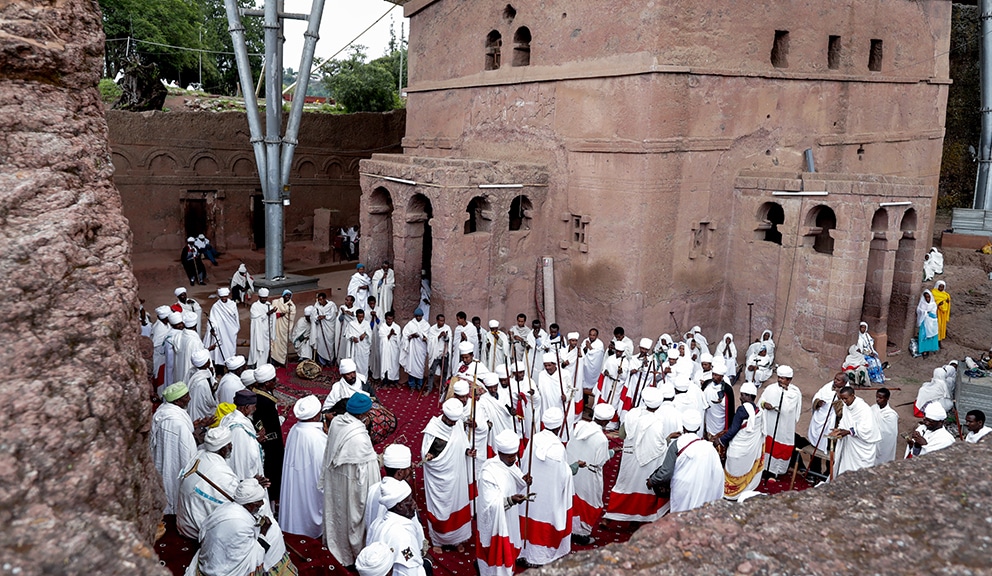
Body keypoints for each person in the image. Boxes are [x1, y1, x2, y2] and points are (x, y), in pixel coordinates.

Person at [322, 393, 381, 568]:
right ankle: (352, 554)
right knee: (352, 517)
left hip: (336, 480)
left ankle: (336, 548)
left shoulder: (337, 423)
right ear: (364, 414)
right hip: (354, 484)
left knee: (337, 513)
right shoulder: (360, 438)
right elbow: (368, 472)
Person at [604, 387, 675, 524]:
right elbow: (659, 447)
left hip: (629, 457)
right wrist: (668, 439)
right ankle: (641, 517)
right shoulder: (658, 422)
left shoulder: (631, 414)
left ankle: (610, 517)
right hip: (648, 463)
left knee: (624, 484)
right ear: (659, 405)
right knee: (642, 487)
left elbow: (622, 435)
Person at [519, 407, 573, 567]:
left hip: (530, 493)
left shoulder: (534, 439)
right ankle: (538, 558)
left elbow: (524, 463)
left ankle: (523, 552)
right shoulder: (558, 448)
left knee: (527, 519)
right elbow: (564, 475)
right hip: (549, 496)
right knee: (545, 522)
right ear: (559, 426)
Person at [184, 479, 267, 576]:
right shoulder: (243, 524)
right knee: (270, 537)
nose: (262, 504)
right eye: (259, 502)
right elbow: (255, 553)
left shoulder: (224, 508)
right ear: (250, 504)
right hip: (223, 570)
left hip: (210, 560)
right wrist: (264, 531)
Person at [648, 409, 724, 513]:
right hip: (703, 490)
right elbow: (718, 473)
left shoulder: (677, 444)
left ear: (683, 427)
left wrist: (652, 481)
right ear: (698, 427)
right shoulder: (709, 447)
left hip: (682, 489)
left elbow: (666, 473)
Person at [421, 398, 473, 549]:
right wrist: (431, 457)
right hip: (440, 479)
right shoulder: (433, 429)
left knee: (457, 504)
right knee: (441, 508)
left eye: (455, 421)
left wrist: (468, 451)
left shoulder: (457, 425)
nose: (453, 424)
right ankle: (438, 541)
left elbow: (462, 445)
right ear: (444, 416)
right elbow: (426, 455)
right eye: (451, 421)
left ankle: (457, 540)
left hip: (457, 476)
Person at [477, 430, 529, 576]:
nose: (513, 459)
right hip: (495, 523)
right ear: (500, 453)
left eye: (515, 455)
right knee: (494, 558)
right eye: (510, 456)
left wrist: (523, 481)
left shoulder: (510, 465)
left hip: (509, 517)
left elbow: (515, 480)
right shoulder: (489, 472)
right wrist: (510, 501)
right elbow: (490, 505)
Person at [151, 382, 207, 516]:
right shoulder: (177, 422)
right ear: (177, 400)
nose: (190, 398)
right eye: (186, 396)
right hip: (177, 463)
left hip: (166, 459)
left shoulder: (164, 411)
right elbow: (187, 449)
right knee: (174, 487)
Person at [177, 427, 240, 539]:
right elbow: (238, 499)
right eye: (229, 444)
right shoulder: (220, 472)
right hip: (195, 530)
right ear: (222, 449)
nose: (231, 447)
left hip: (184, 523)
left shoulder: (200, 454)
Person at [279, 395, 326, 538]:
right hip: (311, 486)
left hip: (298, 481)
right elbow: (322, 470)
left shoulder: (295, 428)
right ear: (315, 416)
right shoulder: (316, 437)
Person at [567, 404, 613, 544]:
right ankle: (581, 534)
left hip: (573, 471)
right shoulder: (601, 439)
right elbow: (601, 461)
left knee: (573, 500)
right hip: (589, 476)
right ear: (606, 422)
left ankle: (570, 528)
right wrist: (610, 452)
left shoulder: (578, 427)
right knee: (591, 504)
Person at [366, 480, 429, 576]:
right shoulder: (403, 537)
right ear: (400, 506)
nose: (415, 504)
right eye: (411, 500)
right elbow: (410, 568)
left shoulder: (377, 523)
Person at [717, 381, 765, 499]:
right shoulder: (758, 410)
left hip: (738, 448)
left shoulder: (742, 410)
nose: (740, 397)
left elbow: (733, 430)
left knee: (733, 468)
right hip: (749, 450)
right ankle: (743, 489)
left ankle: (730, 494)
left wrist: (720, 440)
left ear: (749, 396)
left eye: (743, 395)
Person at [758, 366, 802, 480]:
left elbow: (788, 409)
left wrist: (785, 394)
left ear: (789, 380)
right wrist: (765, 405)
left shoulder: (794, 393)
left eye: (783, 378)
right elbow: (760, 402)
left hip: (784, 427)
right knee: (767, 446)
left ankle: (776, 472)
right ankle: (764, 469)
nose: (780, 380)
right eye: (779, 378)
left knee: (780, 449)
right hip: (770, 424)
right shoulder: (770, 389)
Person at [249, 364, 285, 501]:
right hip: (270, 444)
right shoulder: (264, 401)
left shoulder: (261, 394)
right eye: (274, 380)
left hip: (270, 438)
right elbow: (258, 420)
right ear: (267, 383)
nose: (276, 382)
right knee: (272, 470)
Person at [221, 390, 269, 490]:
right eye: (254, 406)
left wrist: (256, 439)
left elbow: (246, 445)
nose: (255, 409)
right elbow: (241, 461)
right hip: (245, 480)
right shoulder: (238, 429)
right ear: (246, 407)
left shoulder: (229, 417)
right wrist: (248, 483)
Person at [365, 445, 415, 539]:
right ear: (400, 472)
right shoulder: (401, 495)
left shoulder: (372, 489)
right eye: (408, 468)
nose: (410, 470)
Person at [831, 386, 881, 476]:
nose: (844, 401)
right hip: (850, 445)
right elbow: (844, 421)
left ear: (853, 395)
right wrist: (839, 430)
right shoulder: (846, 406)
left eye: (846, 398)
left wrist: (848, 432)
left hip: (862, 446)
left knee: (859, 473)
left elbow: (868, 428)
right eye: (842, 399)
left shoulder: (863, 408)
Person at [805, 372, 844, 475]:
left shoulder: (847, 393)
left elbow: (843, 412)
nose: (835, 381)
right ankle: (814, 471)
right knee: (815, 446)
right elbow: (816, 397)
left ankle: (828, 474)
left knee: (830, 448)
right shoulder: (827, 387)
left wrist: (839, 398)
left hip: (833, 425)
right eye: (835, 378)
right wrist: (818, 402)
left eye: (838, 380)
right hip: (819, 422)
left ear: (844, 382)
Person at [204, 287, 239, 366]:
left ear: (228, 296)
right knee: (221, 349)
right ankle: (220, 367)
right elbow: (212, 319)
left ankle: (231, 364)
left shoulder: (232, 304)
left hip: (230, 330)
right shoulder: (216, 306)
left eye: (225, 297)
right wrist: (212, 328)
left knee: (230, 348)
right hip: (220, 330)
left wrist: (236, 327)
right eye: (222, 297)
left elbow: (236, 318)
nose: (223, 299)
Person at [401, 308, 431, 390]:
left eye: (420, 316)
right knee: (412, 366)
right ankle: (412, 384)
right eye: (417, 316)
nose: (418, 318)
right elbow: (405, 335)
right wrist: (412, 336)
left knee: (420, 367)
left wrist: (424, 337)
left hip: (421, 349)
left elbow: (429, 337)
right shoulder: (411, 324)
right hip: (412, 348)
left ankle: (419, 385)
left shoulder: (426, 325)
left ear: (422, 316)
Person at [702, 362, 734, 437]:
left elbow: (730, 408)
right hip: (709, 416)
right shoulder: (707, 384)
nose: (713, 377)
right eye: (713, 374)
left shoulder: (727, 389)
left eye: (716, 375)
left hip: (720, 419)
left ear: (722, 376)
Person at [186, 349, 218, 422]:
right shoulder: (202, 383)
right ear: (206, 364)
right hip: (199, 413)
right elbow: (209, 401)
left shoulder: (193, 372)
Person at [426, 314, 452, 393]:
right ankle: (429, 389)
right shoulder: (432, 329)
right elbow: (430, 341)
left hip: (444, 354)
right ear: (437, 321)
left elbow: (449, 340)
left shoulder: (447, 328)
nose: (442, 322)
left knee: (444, 372)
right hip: (435, 354)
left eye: (443, 320)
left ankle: (443, 389)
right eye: (440, 321)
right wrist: (439, 336)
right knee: (431, 372)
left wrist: (445, 337)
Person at [872, 387, 900, 464]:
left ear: (887, 398)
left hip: (885, 442)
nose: (877, 399)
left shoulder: (891, 415)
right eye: (877, 397)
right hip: (873, 439)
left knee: (884, 459)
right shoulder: (874, 408)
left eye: (880, 398)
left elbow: (891, 433)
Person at [249, 287, 275, 367]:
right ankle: (256, 366)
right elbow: (256, 318)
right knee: (257, 349)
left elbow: (272, 319)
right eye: (262, 298)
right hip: (258, 332)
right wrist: (267, 314)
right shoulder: (255, 306)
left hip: (266, 332)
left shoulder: (269, 306)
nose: (264, 299)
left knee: (266, 349)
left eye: (265, 298)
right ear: (259, 297)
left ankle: (263, 366)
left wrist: (272, 313)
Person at [270, 290, 297, 366]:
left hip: (284, 327)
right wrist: (279, 314)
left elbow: (292, 316)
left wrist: (285, 315)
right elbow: (272, 312)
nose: (287, 297)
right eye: (286, 295)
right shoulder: (276, 302)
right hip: (277, 325)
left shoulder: (291, 306)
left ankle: (282, 360)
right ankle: (274, 359)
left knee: (283, 343)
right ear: (283, 295)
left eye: (289, 295)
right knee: (275, 342)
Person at [345, 309, 374, 378]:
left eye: (362, 317)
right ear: (356, 316)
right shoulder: (351, 324)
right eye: (359, 317)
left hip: (364, 348)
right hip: (355, 347)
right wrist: (352, 338)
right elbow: (347, 334)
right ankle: (355, 378)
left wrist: (365, 334)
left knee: (364, 364)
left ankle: (364, 378)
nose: (361, 318)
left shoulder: (366, 324)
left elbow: (370, 333)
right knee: (354, 363)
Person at [312, 292, 338, 366]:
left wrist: (325, 317)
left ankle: (330, 360)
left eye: (321, 300)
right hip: (321, 328)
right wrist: (317, 318)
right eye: (319, 300)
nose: (320, 301)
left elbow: (333, 315)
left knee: (330, 343)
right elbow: (313, 315)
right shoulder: (316, 306)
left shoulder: (331, 305)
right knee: (321, 343)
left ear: (325, 299)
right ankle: (322, 361)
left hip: (329, 328)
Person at [579, 328, 606, 399]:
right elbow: (582, 351)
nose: (591, 337)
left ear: (597, 336)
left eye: (593, 335)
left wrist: (589, 347)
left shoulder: (600, 344)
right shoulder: (585, 340)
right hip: (586, 367)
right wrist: (585, 348)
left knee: (593, 379)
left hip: (594, 366)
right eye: (590, 335)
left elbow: (597, 354)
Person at [378, 312, 402, 387]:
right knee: (386, 364)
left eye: (391, 319)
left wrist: (395, 336)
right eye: (388, 319)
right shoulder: (382, 327)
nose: (389, 321)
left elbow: (399, 339)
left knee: (395, 365)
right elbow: (383, 339)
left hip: (394, 349)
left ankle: (395, 381)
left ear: (393, 319)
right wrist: (390, 334)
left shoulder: (397, 327)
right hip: (386, 349)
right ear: (385, 319)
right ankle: (386, 382)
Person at [916, 289, 939, 356]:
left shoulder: (933, 304)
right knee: (923, 336)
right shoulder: (922, 304)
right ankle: (923, 350)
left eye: (928, 297)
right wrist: (925, 312)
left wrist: (927, 313)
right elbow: (919, 310)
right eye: (926, 297)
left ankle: (931, 349)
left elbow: (934, 313)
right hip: (924, 323)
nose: (927, 299)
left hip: (932, 323)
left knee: (932, 336)